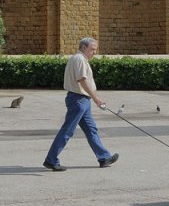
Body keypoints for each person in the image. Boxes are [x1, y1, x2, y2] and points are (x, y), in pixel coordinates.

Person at [43, 37, 119, 171]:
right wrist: (96, 98)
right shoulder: (79, 59)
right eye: (92, 49)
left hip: (81, 99)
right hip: (78, 100)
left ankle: (103, 157)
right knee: (67, 130)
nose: (94, 52)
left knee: (91, 129)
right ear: (84, 47)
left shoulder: (78, 59)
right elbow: (82, 80)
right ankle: (51, 159)